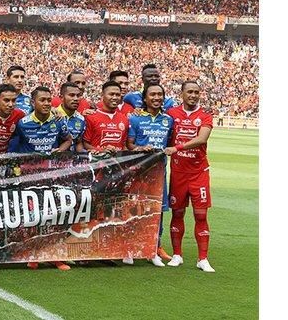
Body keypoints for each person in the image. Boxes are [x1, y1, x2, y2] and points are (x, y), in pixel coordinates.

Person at [9, 85, 71, 271]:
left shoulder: (58, 121)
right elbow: (13, 148)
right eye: (42, 100)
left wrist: (59, 150)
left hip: (52, 176)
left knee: (53, 215)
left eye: (48, 100)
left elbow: (68, 140)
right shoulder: (23, 123)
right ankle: (32, 254)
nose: (46, 103)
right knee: (32, 216)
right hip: (29, 177)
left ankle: (53, 256)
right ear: (32, 102)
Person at [163, 81, 215, 272]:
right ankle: (177, 255)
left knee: (200, 214)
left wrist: (176, 148)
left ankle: (203, 258)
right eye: (189, 92)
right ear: (182, 93)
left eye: (196, 92)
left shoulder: (205, 116)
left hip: (199, 173)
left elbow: (202, 139)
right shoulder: (172, 115)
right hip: (178, 173)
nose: (193, 95)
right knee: (177, 213)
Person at [126, 83, 174, 267]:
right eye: (152, 95)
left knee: (158, 211)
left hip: (159, 172)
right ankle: (129, 248)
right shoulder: (135, 119)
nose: (156, 98)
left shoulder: (168, 120)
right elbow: (129, 144)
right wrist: (139, 148)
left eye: (160, 95)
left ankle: (152, 249)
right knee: (134, 208)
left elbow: (169, 142)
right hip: (139, 172)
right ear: (144, 98)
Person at [82, 81, 130, 153]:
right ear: (102, 95)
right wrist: (101, 151)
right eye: (111, 94)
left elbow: (124, 145)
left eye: (117, 95)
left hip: (118, 162)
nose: (115, 97)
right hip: (97, 162)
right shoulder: (91, 117)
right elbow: (85, 144)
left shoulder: (124, 119)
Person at [55, 82, 86, 152]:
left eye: (78, 95)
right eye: (71, 95)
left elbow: (78, 142)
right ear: (61, 97)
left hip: (72, 161)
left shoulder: (81, 119)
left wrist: (82, 155)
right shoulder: (53, 115)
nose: (76, 99)